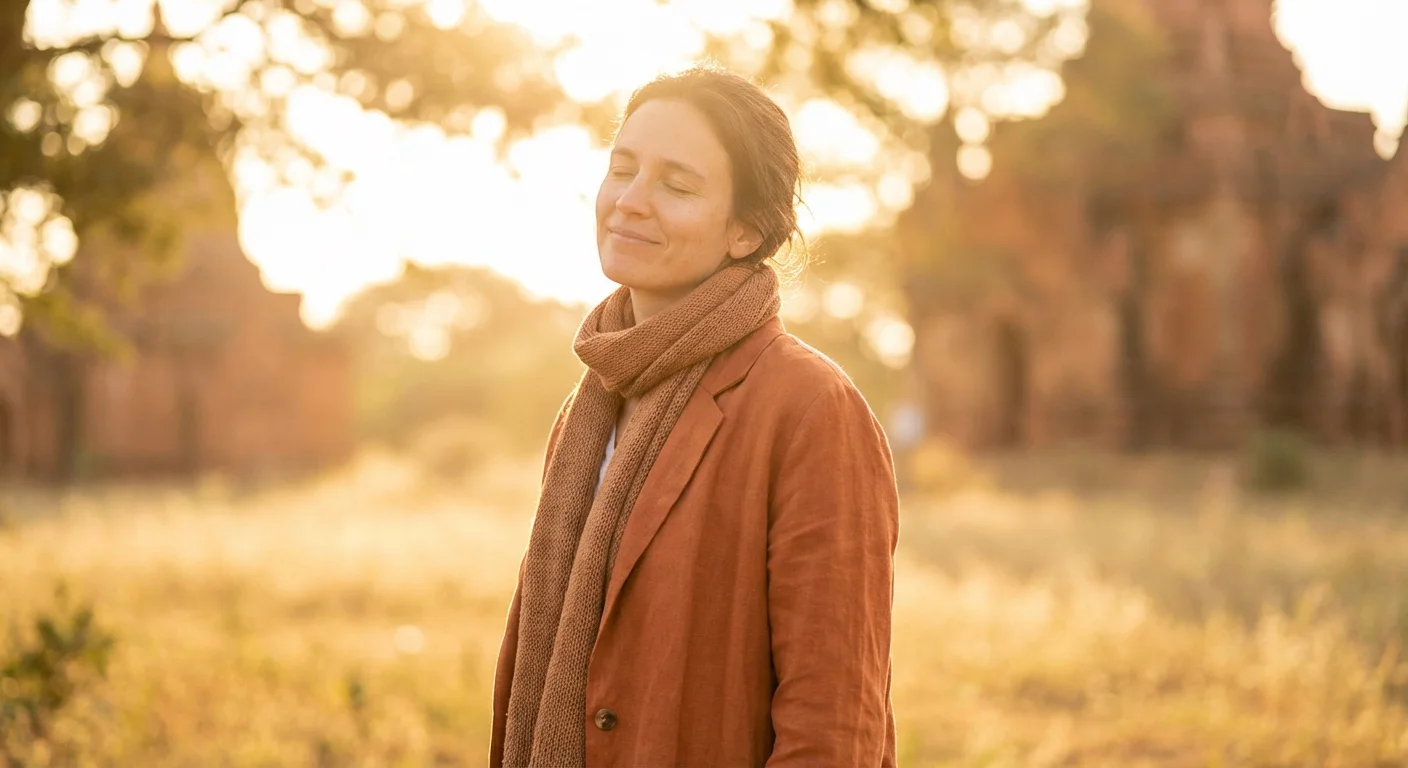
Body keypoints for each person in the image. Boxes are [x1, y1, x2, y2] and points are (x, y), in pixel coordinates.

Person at [489, 64, 900, 768]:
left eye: (676, 186)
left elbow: (835, 722)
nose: (630, 202)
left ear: (746, 232)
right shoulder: (590, 409)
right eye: (622, 170)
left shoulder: (809, 408)